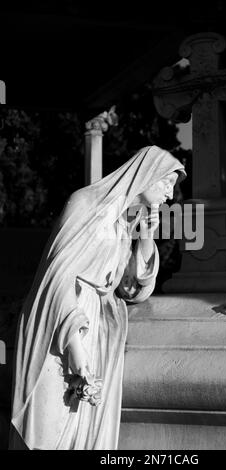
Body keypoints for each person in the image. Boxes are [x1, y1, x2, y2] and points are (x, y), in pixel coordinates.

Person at [9, 145, 186, 450]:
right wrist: (75, 345)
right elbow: (57, 277)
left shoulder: (121, 225)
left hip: (97, 333)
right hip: (59, 325)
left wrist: (145, 236)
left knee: (81, 434)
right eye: (167, 183)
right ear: (146, 174)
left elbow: (130, 289)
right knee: (49, 433)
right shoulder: (85, 203)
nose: (170, 195)